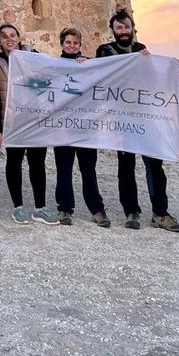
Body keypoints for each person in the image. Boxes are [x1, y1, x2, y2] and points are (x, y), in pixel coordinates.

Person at [95, 10, 179, 232]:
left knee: (155, 165)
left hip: (145, 117)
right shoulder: (105, 50)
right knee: (125, 166)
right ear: (113, 30)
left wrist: (163, 66)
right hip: (121, 118)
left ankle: (160, 213)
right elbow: (105, 72)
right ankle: (131, 211)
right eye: (119, 28)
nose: (123, 31)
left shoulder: (139, 49)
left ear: (132, 28)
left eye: (126, 27)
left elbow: (151, 78)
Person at [0, 23, 59, 225]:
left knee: (37, 162)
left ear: (19, 38)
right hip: (11, 121)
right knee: (14, 162)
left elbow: (56, 74)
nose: (9, 39)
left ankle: (40, 207)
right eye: (4, 36)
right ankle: (18, 207)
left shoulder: (34, 57)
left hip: (35, 119)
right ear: (0, 41)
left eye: (12, 35)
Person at [51, 27, 110, 228]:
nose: (72, 46)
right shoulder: (54, 65)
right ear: (62, 44)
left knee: (88, 170)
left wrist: (89, 65)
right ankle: (65, 208)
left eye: (75, 43)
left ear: (80, 45)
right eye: (68, 42)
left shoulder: (87, 65)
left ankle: (97, 209)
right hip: (63, 127)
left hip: (85, 127)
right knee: (64, 170)